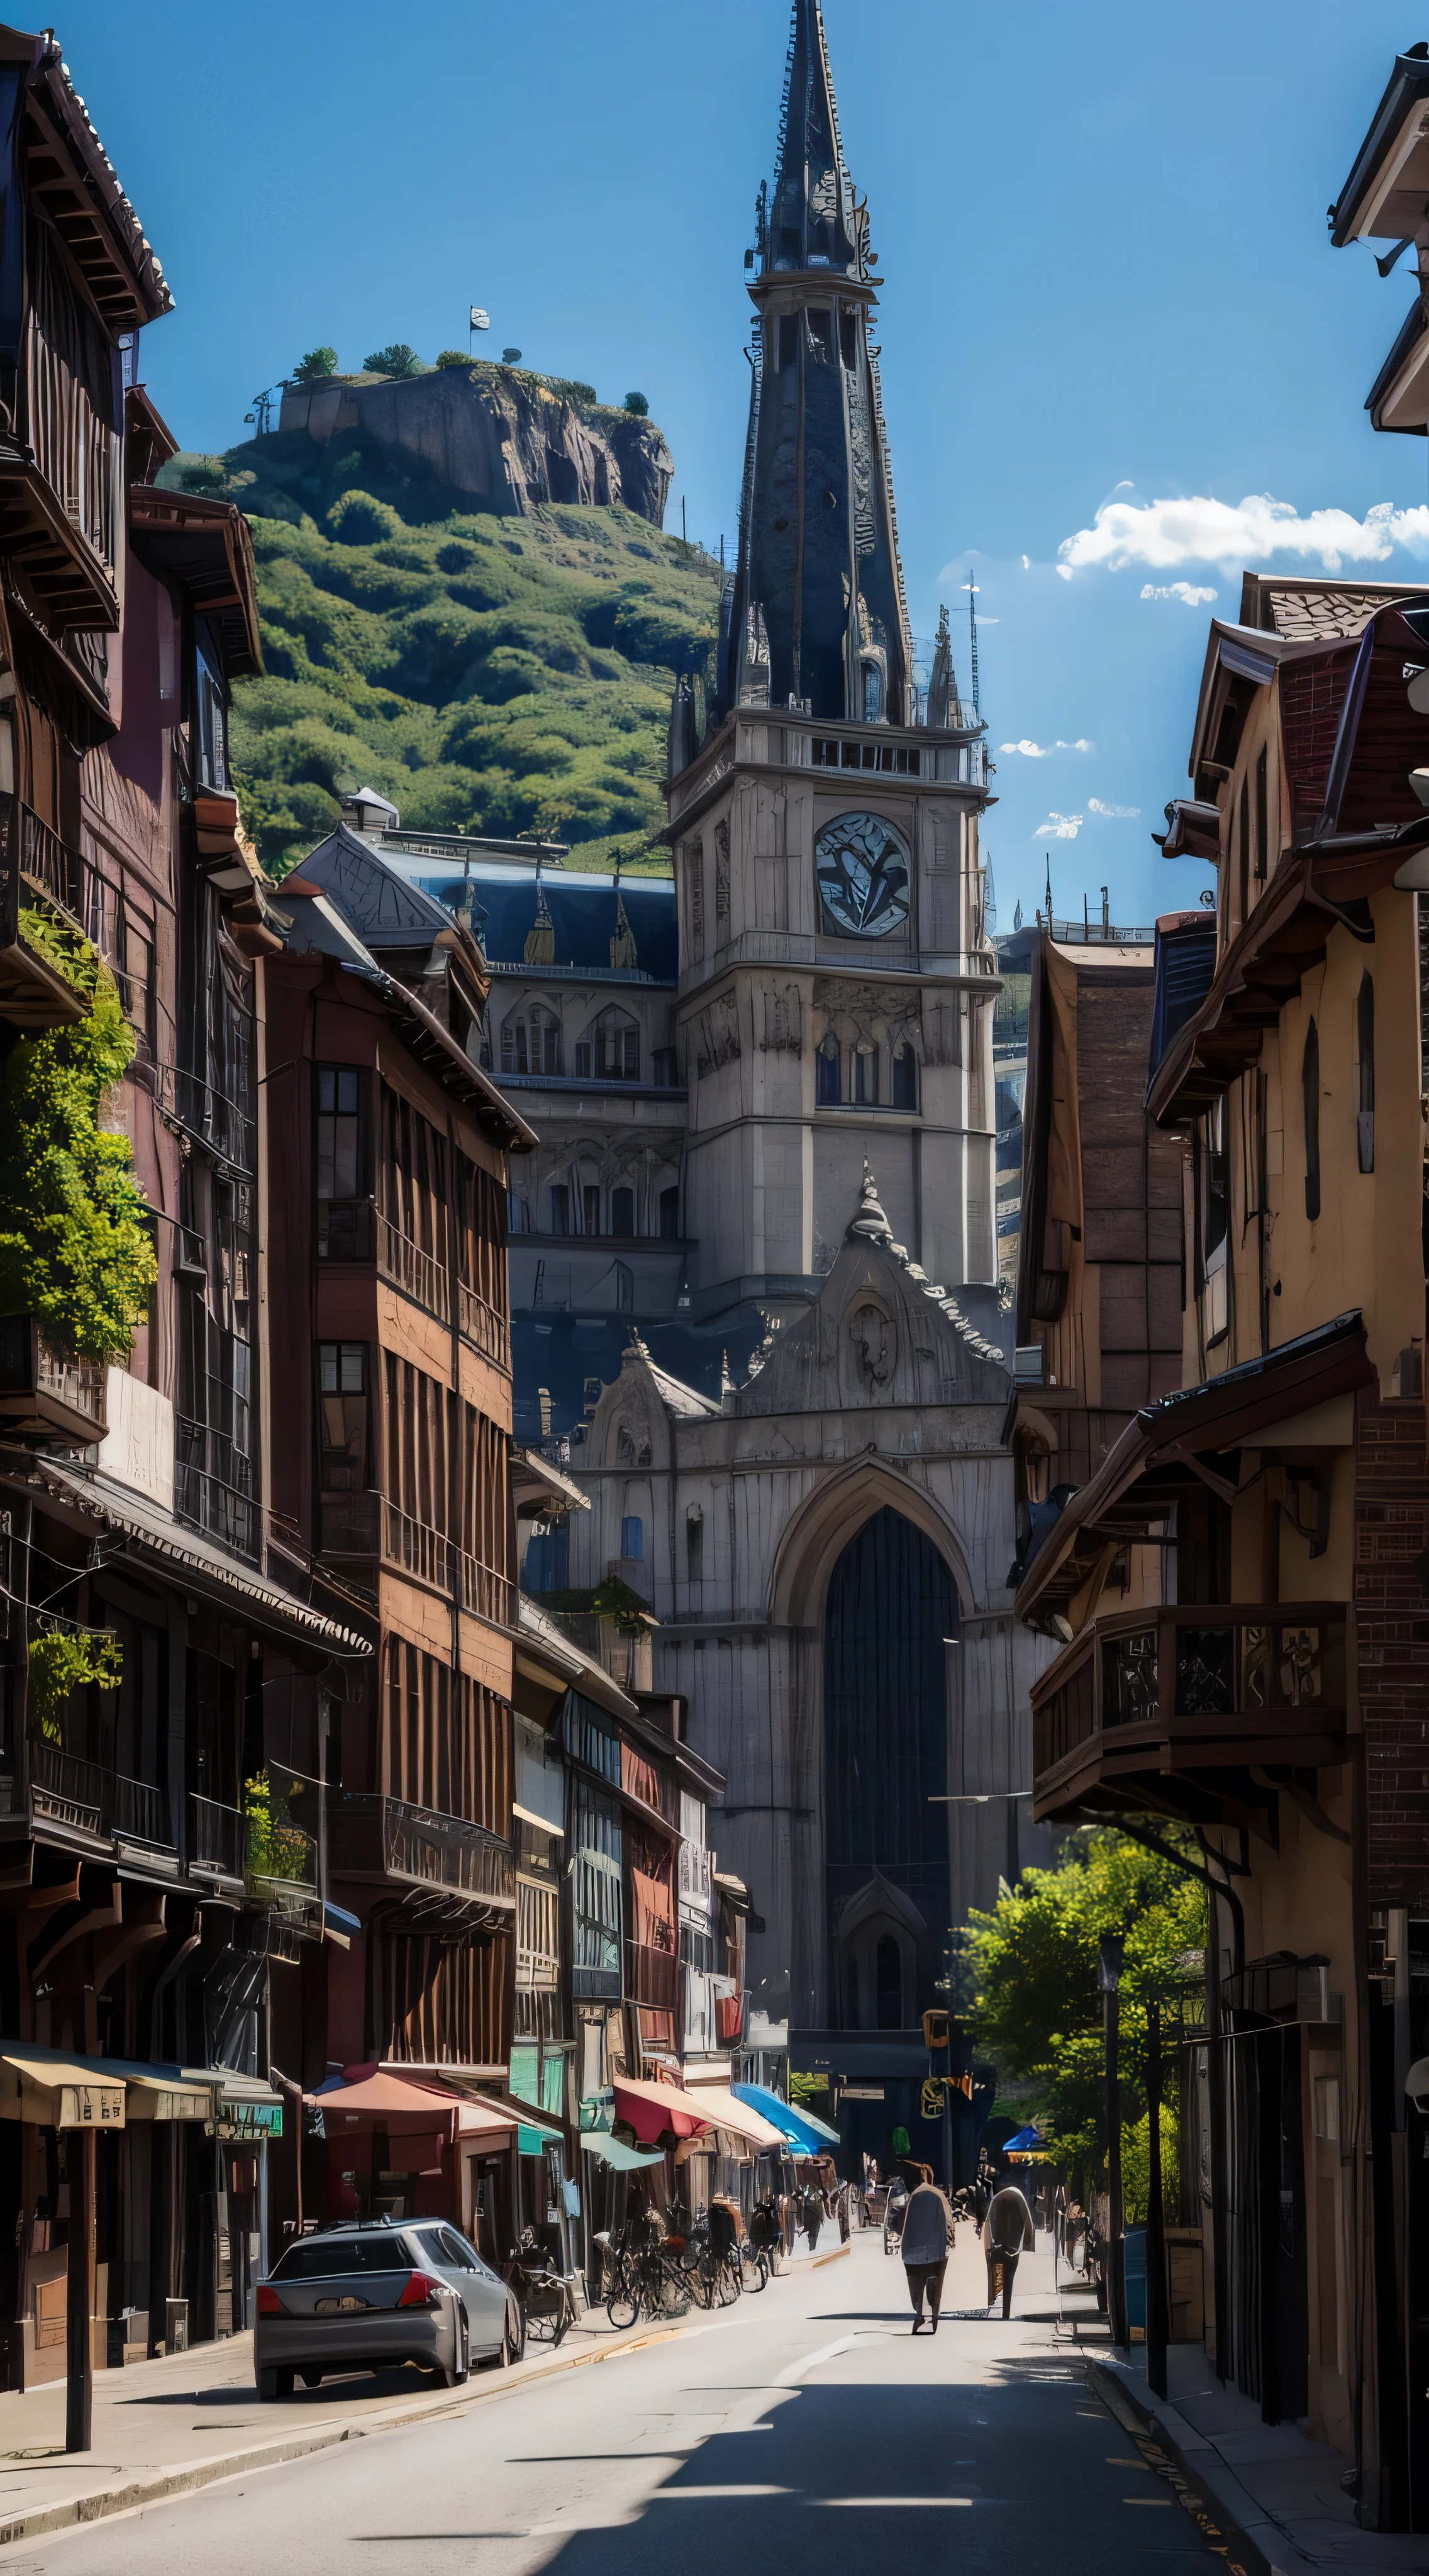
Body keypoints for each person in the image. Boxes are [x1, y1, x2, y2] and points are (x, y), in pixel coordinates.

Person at [900, 2175, 956, 2333]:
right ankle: (934, 2316)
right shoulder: (939, 2196)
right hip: (936, 2253)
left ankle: (919, 2315)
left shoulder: (911, 2197)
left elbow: (900, 2222)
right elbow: (948, 2222)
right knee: (935, 2288)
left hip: (912, 2254)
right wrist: (951, 2242)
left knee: (916, 2289)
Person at [984, 2182, 1035, 2318]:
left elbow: (988, 2221)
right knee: (1009, 2279)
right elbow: (1028, 2221)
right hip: (1014, 2246)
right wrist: (1028, 2244)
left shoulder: (997, 2199)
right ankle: (1006, 2311)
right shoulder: (1019, 2197)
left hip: (997, 2245)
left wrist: (989, 2246)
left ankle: (993, 2301)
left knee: (995, 2277)